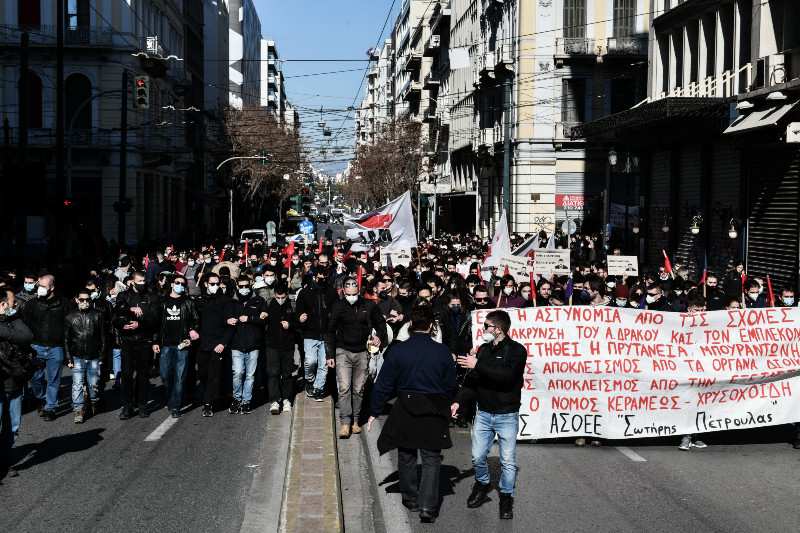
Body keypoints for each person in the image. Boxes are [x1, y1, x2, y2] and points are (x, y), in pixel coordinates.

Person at [367, 305, 458, 523]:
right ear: (431, 326)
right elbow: (450, 385)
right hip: (434, 407)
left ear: (410, 325)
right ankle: (427, 506)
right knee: (431, 458)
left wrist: (374, 412)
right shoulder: (443, 351)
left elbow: (383, 384)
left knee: (407, 455)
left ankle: (410, 498)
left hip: (406, 405)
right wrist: (452, 403)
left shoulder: (398, 350)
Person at [452, 310, 526, 520]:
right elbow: (473, 381)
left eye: (486, 326)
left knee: (507, 462)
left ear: (498, 329)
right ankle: (482, 483)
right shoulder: (483, 350)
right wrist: (458, 400)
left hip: (506, 415)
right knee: (477, 456)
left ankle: (506, 496)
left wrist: (478, 364)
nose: (483, 329)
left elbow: (507, 377)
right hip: (483, 413)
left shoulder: (517, 351)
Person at [325, 277, 387, 438]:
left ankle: (356, 421)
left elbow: (380, 323)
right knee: (344, 387)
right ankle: (345, 422)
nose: (351, 296)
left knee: (358, 389)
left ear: (358, 292)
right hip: (343, 351)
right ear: (343, 292)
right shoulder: (338, 306)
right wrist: (329, 355)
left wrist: (378, 336)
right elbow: (330, 332)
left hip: (362, 352)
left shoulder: (368, 305)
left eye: (354, 293)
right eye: (348, 294)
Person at [113, 271, 161, 419]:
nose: (142, 283)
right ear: (132, 282)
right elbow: (116, 314)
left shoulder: (151, 296)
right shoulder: (124, 296)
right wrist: (129, 312)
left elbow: (154, 319)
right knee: (126, 374)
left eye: (143, 280)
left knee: (143, 375)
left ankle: (143, 405)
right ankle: (127, 405)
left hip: (144, 340)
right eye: (139, 281)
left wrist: (139, 324)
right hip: (127, 340)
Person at [21, 274, 68, 421]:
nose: (39, 289)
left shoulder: (64, 304)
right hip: (36, 346)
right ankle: (42, 397)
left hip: (56, 347)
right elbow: (25, 326)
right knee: (35, 377)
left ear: (52, 287)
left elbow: (69, 327)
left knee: (54, 379)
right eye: (38, 286)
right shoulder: (32, 304)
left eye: (42, 286)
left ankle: (50, 408)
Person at [155, 274, 199, 418]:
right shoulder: (162, 301)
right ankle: (170, 397)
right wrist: (155, 341)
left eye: (183, 283)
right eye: (177, 282)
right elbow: (156, 324)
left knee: (180, 377)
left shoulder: (189, 302)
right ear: (172, 284)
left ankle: (176, 406)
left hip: (182, 345)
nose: (180, 285)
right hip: (165, 345)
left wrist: (192, 331)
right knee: (165, 375)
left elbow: (196, 320)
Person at [0, 288, 33, 479]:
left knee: (12, 427)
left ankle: (4, 464)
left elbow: (26, 336)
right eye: (12, 301)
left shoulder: (14, 320)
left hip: (15, 384)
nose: (15, 304)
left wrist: (4, 331)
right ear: (3, 304)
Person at [195, 273, 237, 417]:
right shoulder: (198, 300)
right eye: (212, 284)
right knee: (204, 374)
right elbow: (194, 320)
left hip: (217, 344)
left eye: (217, 284)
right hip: (202, 344)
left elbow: (230, 325)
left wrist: (223, 343)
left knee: (215, 374)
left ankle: (208, 403)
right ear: (205, 284)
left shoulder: (225, 301)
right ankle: (212, 395)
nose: (215, 286)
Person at [295, 265, 337, 401]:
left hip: (326, 334)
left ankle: (319, 388)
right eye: (320, 278)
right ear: (314, 277)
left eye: (325, 278)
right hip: (310, 333)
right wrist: (300, 318)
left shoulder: (332, 292)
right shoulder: (305, 293)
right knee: (310, 361)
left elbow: (337, 310)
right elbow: (297, 312)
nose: (323, 280)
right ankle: (310, 381)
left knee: (323, 364)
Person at [65, 289, 107, 423]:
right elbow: (66, 339)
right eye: (82, 299)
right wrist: (69, 358)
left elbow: (103, 337)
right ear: (77, 300)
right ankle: (78, 409)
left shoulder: (97, 315)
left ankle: (93, 402)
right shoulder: (70, 317)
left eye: (87, 300)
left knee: (94, 383)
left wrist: (102, 356)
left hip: (94, 356)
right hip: (77, 356)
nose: (85, 302)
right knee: (77, 384)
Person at [230, 275, 268, 415]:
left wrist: (250, 318)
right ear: (237, 287)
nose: (244, 289)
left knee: (250, 375)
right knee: (238, 373)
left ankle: (246, 401)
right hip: (237, 344)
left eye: (246, 286)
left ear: (251, 285)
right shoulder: (232, 302)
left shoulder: (259, 301)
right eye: (241, 286)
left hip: (254, 344)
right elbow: (225, 319)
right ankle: (236, 399)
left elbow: (264, 320)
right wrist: (228, 321)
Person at [265, 282, 295, 414]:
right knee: (273, 373)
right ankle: (274, 400)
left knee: (287, 374)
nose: (281, 300)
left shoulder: (292, 304)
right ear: (275, 295)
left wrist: (290, 324)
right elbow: (264, 320)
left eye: (283, 297)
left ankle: (287, 399)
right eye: (278, 297)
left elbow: (299, 322)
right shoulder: (269, 304)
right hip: (272, 344)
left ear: (286, 295)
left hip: (288, 345)